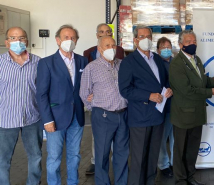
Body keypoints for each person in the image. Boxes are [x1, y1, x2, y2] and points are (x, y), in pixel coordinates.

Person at [118, 26, 172, 185]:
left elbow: (164, 81)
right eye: (142, 36)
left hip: (157, 116)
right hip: (140, 117)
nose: (146, 39)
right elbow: (125, 90)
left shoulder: (156, 59)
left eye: (148, 36)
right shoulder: (129, 62)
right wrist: (148, 96)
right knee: (138, 159)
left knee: (152, 157)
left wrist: (168, 89)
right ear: (135, 40)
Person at [169, 30, 214, 185]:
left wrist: (213, 80)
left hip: (197, 113)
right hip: (183, 115)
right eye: (188, 42)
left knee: (192, 150)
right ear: (180, 45)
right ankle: (180, 180)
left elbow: (200, 81)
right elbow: (186, 90)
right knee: (180, 150)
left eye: (194, 41)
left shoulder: (196, 59)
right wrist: (210, 92)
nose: (192, 44)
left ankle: (190, 177)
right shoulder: (177, 63)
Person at [36, 24, 88, 185]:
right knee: (54, 157)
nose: (69, 40)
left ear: (77, 41)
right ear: (58, 40)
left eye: (73, 38)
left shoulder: (82, 61)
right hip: (55, 118)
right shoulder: (46, 63)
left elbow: (85, 87)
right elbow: (41, 94)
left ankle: (73, 182)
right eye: (66, 37)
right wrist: (47, 120)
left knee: (74, 156)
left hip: (77, 117)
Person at [80, 36, 129, 185]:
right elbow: (84, 93)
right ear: (100, 49)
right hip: (103, 115)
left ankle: (121, 182)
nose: (111, 48)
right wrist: (94, 108)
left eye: (113, 45)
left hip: (123, 114)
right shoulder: (92, 68)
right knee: (102, 155)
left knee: (122, 153)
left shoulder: (123, 65)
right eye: (107, 45)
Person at [0, 27, 42, 185]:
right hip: (5, 120)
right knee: (2, 160)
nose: (18, 41)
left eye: (22, 38)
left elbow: (43, 90)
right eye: (13, 38)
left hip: (32, 118)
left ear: (27, 41)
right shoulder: (0, 63)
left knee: (36, 156)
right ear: (6, 42)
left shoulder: (38, 62)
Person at [156, 37, 175, 177]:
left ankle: (176, 163)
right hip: (163, 106)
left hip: (178, 105)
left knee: (176, 137)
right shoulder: (155, 63)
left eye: (169, 46)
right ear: (158, 50)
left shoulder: (176, 63)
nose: (167, 49)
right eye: (163, 47)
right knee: (163, 137)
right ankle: (163, 165)